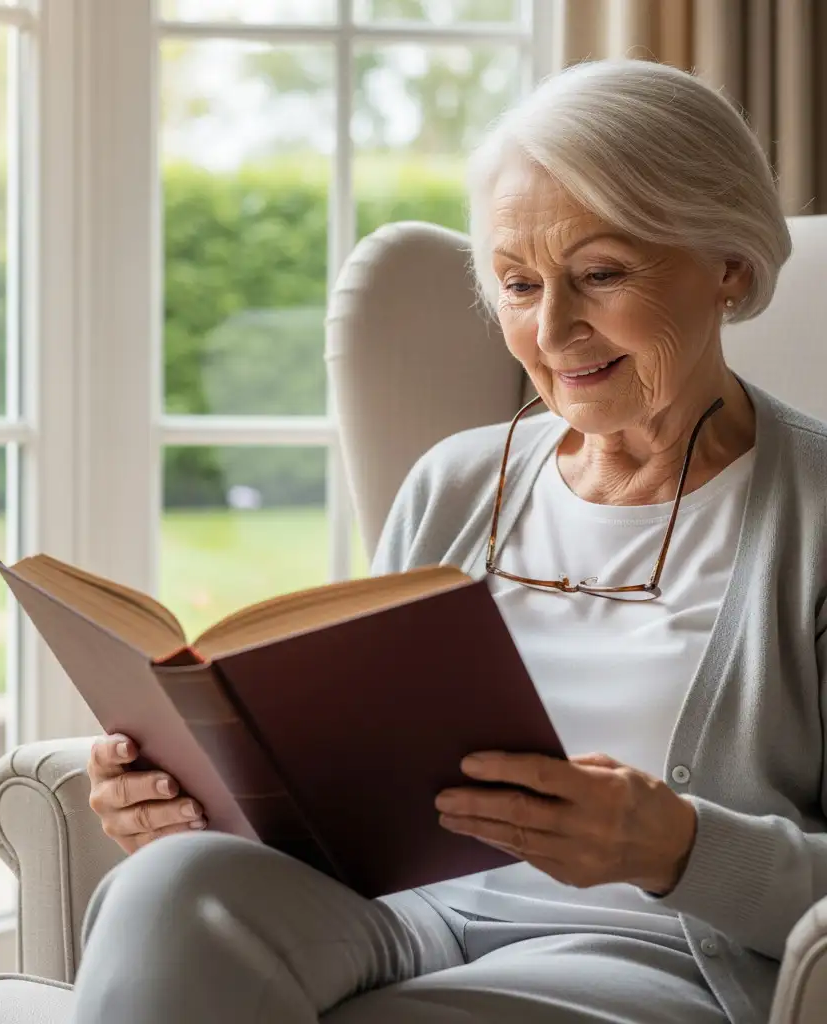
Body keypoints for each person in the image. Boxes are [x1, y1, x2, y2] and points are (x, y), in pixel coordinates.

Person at [73, 59, 827, 1024]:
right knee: (169, 890)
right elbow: (358, 779)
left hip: (655, 955)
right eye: (517, 284)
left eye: (599, 273)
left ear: (727, 264)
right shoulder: (456, 481)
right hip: (410, 921)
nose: (552, 328)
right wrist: (192, 795)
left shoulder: (812, 511)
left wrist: (674, 846)